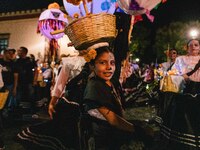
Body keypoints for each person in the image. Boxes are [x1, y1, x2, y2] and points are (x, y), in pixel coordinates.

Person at [83, 46, 152, 149]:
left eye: (112, 63)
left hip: (117, 138)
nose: (109, 67)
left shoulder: (111, 82)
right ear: (92, 65)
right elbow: (114, 120)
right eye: (102, 63)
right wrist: (138, 130)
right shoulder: (94, 87)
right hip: (105, 141)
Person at [158, 39, 200, 150]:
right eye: (190, 45)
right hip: (183, 92)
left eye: (196, 45)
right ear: (187, 48)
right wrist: (182, 77)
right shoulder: (181, 59)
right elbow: (174, 72)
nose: (193, 47)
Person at [15, 47, 37, 114]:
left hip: (29, 81)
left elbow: (36, 70)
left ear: (24, 52)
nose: (18, 52)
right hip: (20, 81)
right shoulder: (17, 61)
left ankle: (33, 110)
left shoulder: (30, 60)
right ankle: (21, 111)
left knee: (31, 95)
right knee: (20, 96)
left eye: (19, 51)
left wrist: (35, 80)